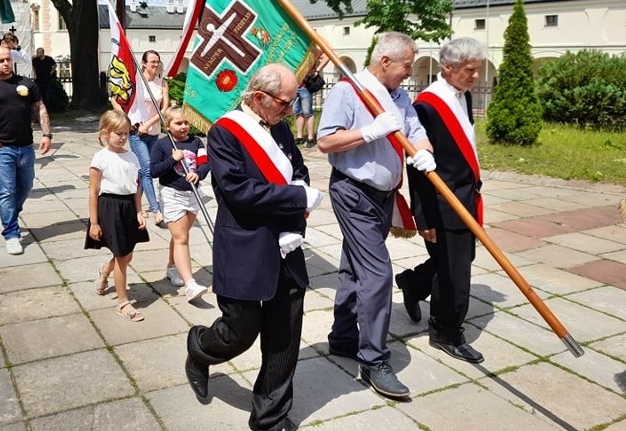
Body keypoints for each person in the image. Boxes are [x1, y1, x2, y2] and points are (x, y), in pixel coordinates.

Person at [185, 64, 323, 431]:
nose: (290, 110)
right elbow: (239, 190)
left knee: (285, 335)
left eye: (293, 102)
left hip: (287, 244)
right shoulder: (225, 133)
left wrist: (296, 219)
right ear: (259, 98)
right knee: (239, 331)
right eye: (284, 102)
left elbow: (298, 172)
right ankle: (200, 347)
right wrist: (296, 198)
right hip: (245, 244)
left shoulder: (279, 127)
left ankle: (270, 417)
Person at [317, 31, 435, 400]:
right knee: (378, 273)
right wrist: (368, 132)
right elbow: (325, 141)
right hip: (353, 193)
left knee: (355, 268)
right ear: (385, 61)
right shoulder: (349, 91)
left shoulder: (400, 96)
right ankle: (373, 359)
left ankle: (342, 337)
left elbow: (417, 133)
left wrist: (424, 151)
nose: (408, 73)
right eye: (406, 65)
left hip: (384, 196)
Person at [399, 38, 487, 364]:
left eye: (477, 70)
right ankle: (447, 332)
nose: (475, 77)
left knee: (454, 260)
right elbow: (418, 167)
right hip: (444, 203)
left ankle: (412, 282)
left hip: (467, 196)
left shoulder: (462, 96)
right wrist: (424, 218)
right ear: (447, 68)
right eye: (470, 70)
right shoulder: (428, 105)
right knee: (455, 272)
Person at [0, 46, 52, 255]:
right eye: (0, 61)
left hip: (25, 145)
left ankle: (11, 215)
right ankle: (11, 234)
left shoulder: (26, 83)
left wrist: (46, 134)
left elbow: (40, 107)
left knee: (25, 187)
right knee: (6, 190)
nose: (6, 64)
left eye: (8, 59)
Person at [87, 109, 151, 322]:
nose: (123, 137)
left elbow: (136, 187)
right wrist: (94, 223)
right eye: (118, 133)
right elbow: (93, 192)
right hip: (109, 207)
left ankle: (105, 270)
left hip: (128, 207)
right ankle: (123, 302)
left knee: (127, 253)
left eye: (126, 133)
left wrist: (140, 211)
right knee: (122, 256)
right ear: (106, 132)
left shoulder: (132, 156)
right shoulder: (100, 158)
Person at [149, 105, 211, 303]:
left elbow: (205, 163)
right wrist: (172, 159)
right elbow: (154, 171)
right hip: (171, 194)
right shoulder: (162, 145)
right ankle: (190, 284)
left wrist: (198, 174)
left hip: (192, 194)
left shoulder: (196, 142)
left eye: (186, 122)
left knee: (180, 236)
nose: (184, 126)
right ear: (168, 125)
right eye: (178, 123)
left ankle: (172, 267)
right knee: (182, 237)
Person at [112, 49, 169, 228]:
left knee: (141, 172)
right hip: (136, 132)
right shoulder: (135, 81)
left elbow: (165, 109)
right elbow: (115, 99)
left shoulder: (162, 83)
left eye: (157, 61)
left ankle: (135, 206)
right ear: (144, 63)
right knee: (147, 169)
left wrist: (150, 123)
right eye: (152, 61)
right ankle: (156, 210)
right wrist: (127, 121)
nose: (155, 64)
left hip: (153, 131)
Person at [294, 51, 329, 148]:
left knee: (307, 112)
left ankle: (310, 138)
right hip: (294, 85)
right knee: (298, 112)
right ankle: (299, 137)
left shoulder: (309, 50)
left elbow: (326, 56)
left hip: (305, 86)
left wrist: (317, 70)